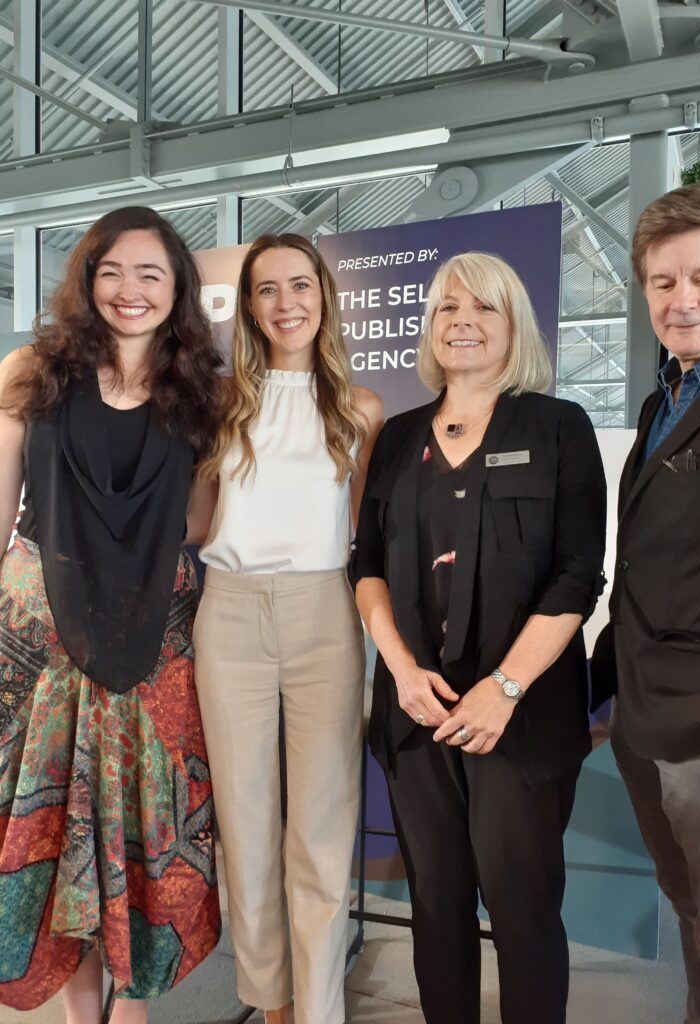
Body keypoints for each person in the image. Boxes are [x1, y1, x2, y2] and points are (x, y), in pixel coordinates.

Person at [350, 251, 606, 1024]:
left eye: (483, 307)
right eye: (446, 308)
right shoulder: (394, 438)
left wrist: (505, 687)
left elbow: (576, 576)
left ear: (513, 323)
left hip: (520, 721)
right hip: (418, 714)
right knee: (437, 909)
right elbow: (366, 568)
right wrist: (399, 669)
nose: (462, 320)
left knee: (524, 912)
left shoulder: (559, 426)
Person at [0, 206, 223, 1023]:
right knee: (54, 835)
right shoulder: (31, 371)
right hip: (42, 638)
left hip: (153, 645)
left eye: (150, 274)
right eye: (113, 271)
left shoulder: (202, 391)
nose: (130, 291)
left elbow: (199, 524)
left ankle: (130, 1014)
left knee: (138, 837)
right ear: (88, 278)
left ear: (177, 290)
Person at [193, 232, 383, 1024]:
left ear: (323, 296)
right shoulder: (218, 398)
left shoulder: (361, 408)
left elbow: (361, 529)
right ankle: (270, 1002)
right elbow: (197, 519)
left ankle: (321, 1010)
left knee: (322, 828)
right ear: (248, 306)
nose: (285, 304)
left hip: (324, 614)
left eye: (299, 285)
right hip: (230, 609)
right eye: (266, 290)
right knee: (245, 824)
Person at [594, 179, 700, 1024]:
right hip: (645, 719)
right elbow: (644, 569)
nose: (681, 300)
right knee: (698, 919)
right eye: (662, 283)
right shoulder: (667, 398)